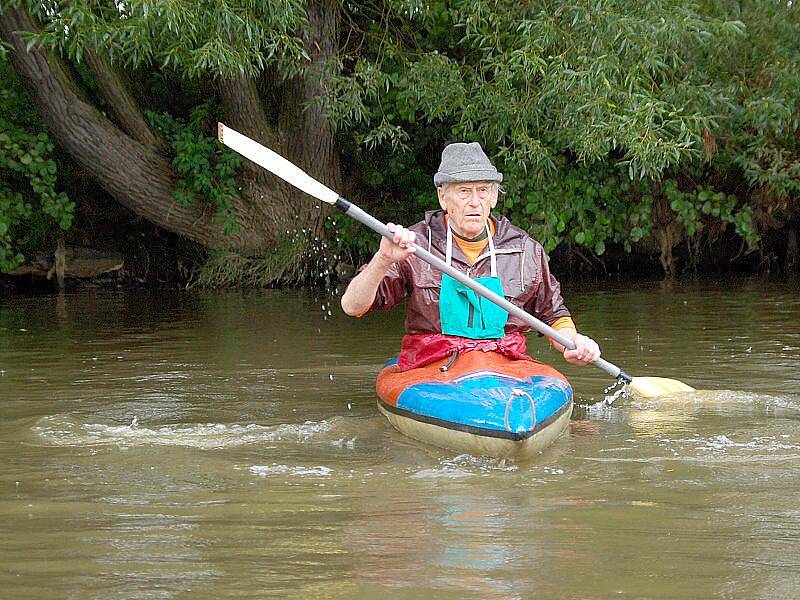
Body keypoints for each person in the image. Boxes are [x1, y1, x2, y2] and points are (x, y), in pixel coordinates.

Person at [341, 141, 601, 371]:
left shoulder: (525, 250)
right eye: (464, 191)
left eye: (483, 191)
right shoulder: (414, 245)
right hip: (433, 364)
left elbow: (554, 315)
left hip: (504, 367)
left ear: (494, 198)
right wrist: (383, 259)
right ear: (443, 197)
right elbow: (352, 306)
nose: (475, 202)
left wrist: (572, 342)